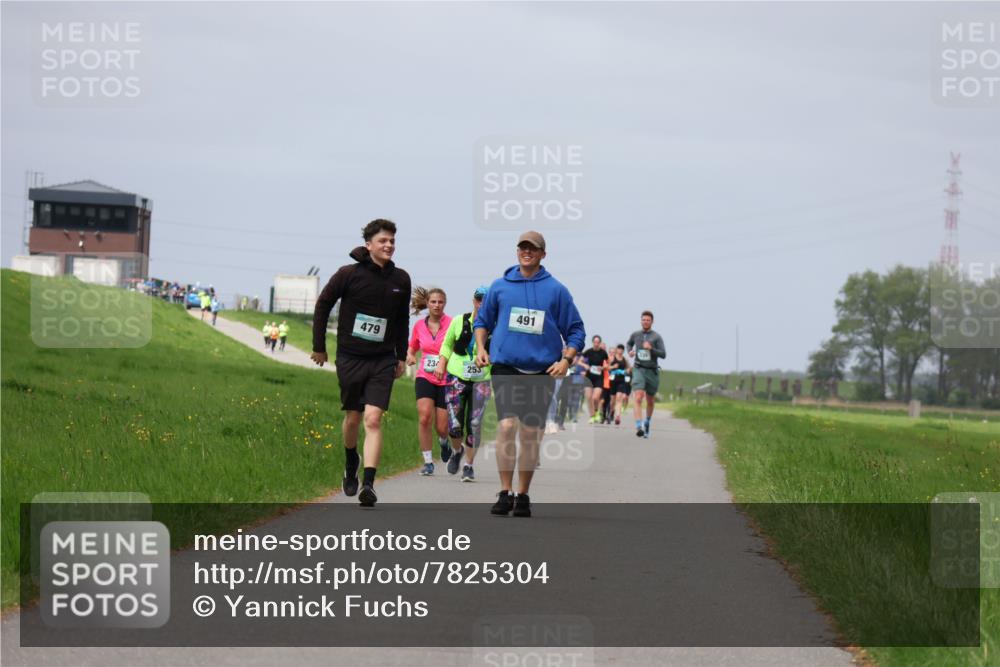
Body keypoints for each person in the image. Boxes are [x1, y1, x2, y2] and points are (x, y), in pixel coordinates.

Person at [474, 231, 585, 518]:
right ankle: (504, 492)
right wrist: (481, 348)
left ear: (542, 254)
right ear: (517, 251)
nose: (527, 252)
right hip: (506, 365)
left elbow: (576, 330)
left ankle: (522, 494)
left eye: (533, 249)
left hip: (541, 369)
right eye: (523, 247)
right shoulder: (500, 286)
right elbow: (482, 321)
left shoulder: (556, 290)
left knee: (529, 433)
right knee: (507, 426)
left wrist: (566, 360)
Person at [311, 219, 410, 507]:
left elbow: (402, 320)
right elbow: (323, 305)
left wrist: (400, 356)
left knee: (373, 419)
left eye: (392, 241)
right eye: (383, 241)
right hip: (350, 357)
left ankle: (368, 484)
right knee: (353, 418)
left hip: (382, 359)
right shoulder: (348, 274)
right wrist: (319, 347)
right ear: (369, 245)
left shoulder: (401, 279)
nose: (389, 245)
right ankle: (350, 459)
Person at [435, 285, 493, 482]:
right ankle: (457, 451)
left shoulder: (496, 325)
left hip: (482, 380)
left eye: (486, 300)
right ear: (474, 300)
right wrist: (441, 363)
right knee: (455, 425)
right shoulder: (459, 321)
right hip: (456, 377)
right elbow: (447, 344)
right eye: (479, 299)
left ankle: (468, 465)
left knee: (474, 425)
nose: (482, 303)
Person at [406, 286, 452, 476]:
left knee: (441, 427)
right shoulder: (419, 326)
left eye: (440, 302)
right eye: (433, 302)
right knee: (424, 417)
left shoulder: (452, 323)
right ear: (427, 303)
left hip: (446, 379)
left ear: (445, 304)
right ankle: (427, 462)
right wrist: (410, 356)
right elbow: (412, 347)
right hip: (425, 376)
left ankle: (444, 442)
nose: (436, 305)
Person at [626, 310, 667, 438]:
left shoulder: (656, 337)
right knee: (638, 397)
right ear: (641, 320)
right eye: (643, 319)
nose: (645, 322)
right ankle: (639, 426)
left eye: (648, 320)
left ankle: (647, 422)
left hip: (652, 371)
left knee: (650, 400)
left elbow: (663, 354)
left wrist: (651, 349)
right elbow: (629, 344)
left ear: (652, 322)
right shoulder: (636, 335)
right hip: (639, 368)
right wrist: (630, 351)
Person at [578, 335, 608, 423]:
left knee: (595, 397)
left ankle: (596, 412)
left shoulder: (603, 353)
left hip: (599, 377)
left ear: (600, 343)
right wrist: (585, 365)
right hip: (589, 377)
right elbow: (579, 361)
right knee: (588, 397)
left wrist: (603, 367)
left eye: (598, 342)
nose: (596, 344)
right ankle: (592, 416)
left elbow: (607, 364)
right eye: (595, 342)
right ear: (592, 342)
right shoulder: (588, 352)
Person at [607, 344, 630, 425]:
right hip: (613, 381)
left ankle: (618, 416)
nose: (620, 350)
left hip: (621, 381)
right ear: (616, 350)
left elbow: (628, 368)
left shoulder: (624, 359)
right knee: (612, 400)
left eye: (622, 349)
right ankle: (611, 412)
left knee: (619, 398)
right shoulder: (612, 358)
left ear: (623, 351)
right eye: (619, 349)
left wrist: (627, 371)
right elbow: (607, 367)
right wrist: (613, 367)